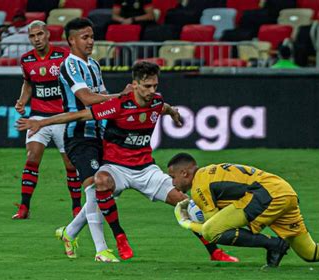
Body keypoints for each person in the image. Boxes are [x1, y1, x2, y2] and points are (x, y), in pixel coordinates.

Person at [17, 61, 239, 263]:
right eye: (147, 86)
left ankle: (215, 252)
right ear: (134, 85)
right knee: (100, 181)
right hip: (116, 168)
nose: (152, 91)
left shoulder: (157, 101)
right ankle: (120, 238)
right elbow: (79, 115)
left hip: (146, 169)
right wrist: (43, 123)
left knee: (184, 203)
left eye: (155, 86)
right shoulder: (118, 105)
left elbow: (164, 106)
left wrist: (173, 114)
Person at [167, 153, 319, 269]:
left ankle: (274, 246)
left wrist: (187, 222)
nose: (173, 182)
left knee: (213, 231)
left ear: (186, 173)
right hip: (282, 190)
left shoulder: (199, 185)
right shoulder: (212, 172)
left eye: (173, 176)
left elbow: (214, 226)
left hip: (266, 195)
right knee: (310, 253)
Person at [57, 17, 126, 262]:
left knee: (110, 189)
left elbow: (104, 97)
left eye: (91, 36)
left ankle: (70, 231)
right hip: (78, 135)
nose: (90, 41)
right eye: (84, 37)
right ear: (71, 40)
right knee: (94, 189)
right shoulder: (69, 65)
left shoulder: (94, 65)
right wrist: (122, 96)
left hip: (100, 134)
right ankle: (101, 250)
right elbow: (87, 98)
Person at [11, 20, 82, 220]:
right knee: (32, 158)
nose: (37, 39)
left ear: (48, 34)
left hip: (62, 117)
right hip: (37, 117)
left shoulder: (64, 56)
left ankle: (76, 207)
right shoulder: (26, 60)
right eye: (32, 36)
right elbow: (28, 84)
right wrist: (22, 101)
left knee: (70, 165)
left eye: (40, 34)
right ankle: (24, 207)